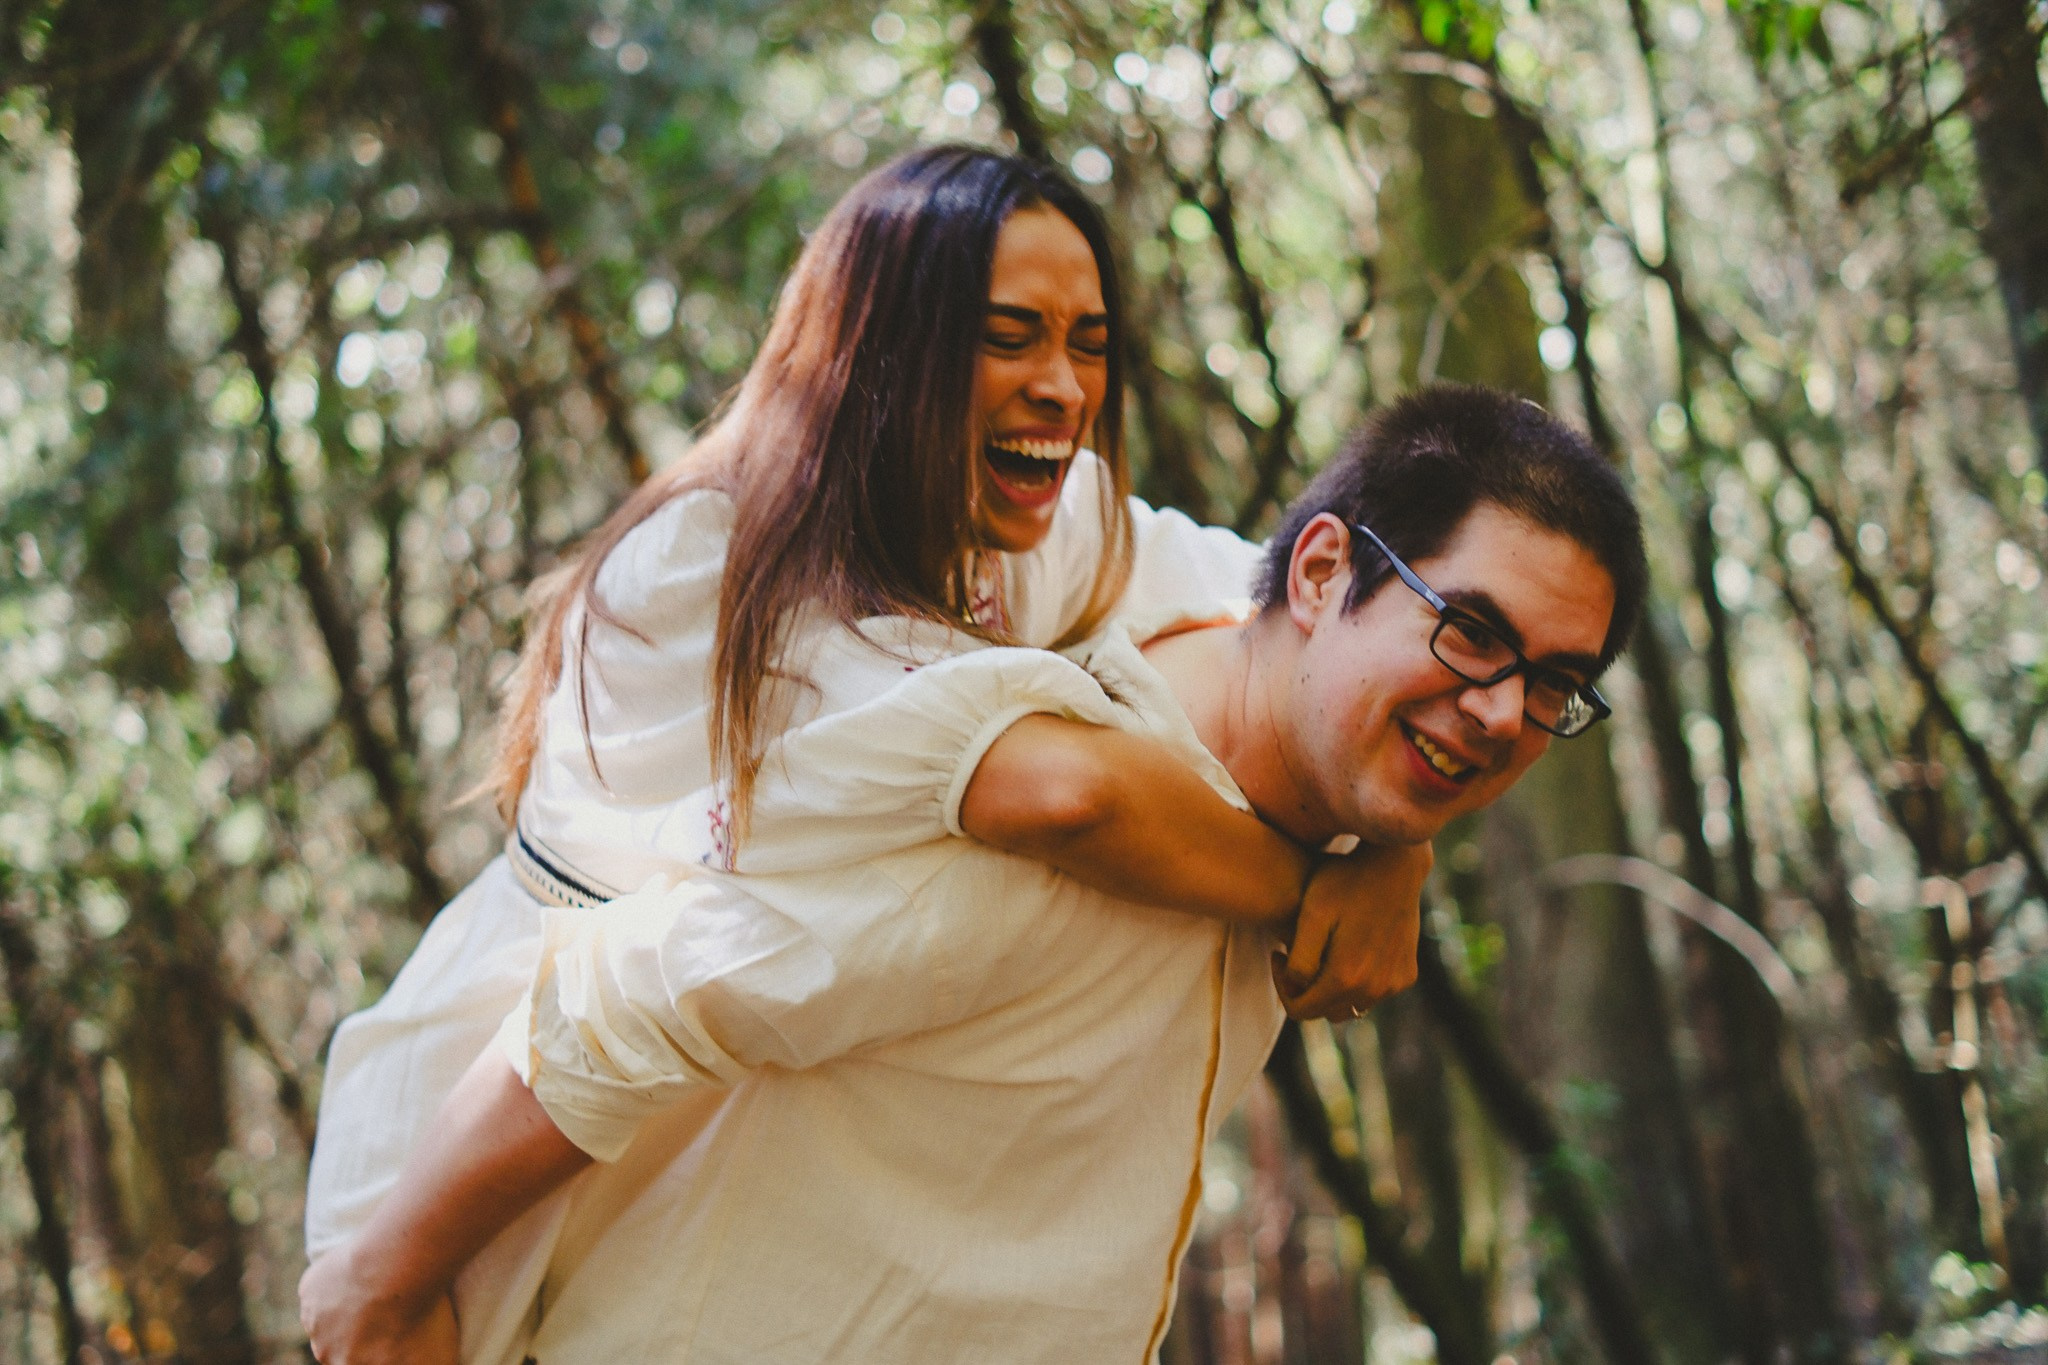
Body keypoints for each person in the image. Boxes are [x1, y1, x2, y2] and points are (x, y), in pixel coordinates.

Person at [303, 144, 1424, 1355]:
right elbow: (1059, 791)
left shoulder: (1023, 522)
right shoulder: (710, 564)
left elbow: (1304, 623)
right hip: (471, 1150)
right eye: (1010, 336)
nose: (1061, 385)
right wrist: (1324, 892)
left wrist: (1398, 845)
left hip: (658, 1127)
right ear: (883, 348)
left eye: (1086, 343)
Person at [301, 383, 1648, 1364]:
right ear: (1321, 572)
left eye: (1554, 686)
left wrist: (1388, 845)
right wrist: (383, 1286)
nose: (1499, 714)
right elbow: (636, 990)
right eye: (1474, 634)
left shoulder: (1238, 677)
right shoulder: (1056, 822)